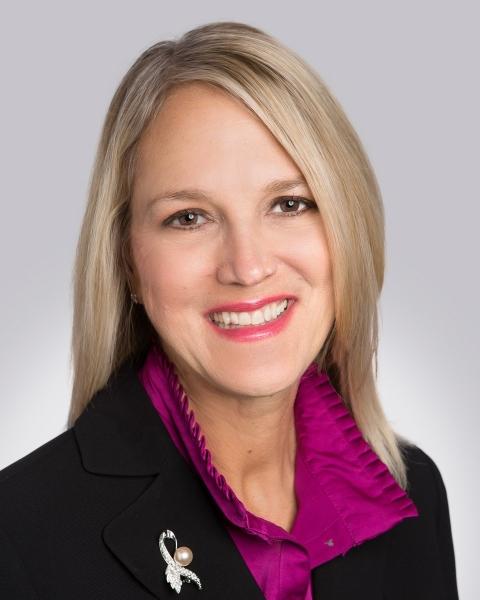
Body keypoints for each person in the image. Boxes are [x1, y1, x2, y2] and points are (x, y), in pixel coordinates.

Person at [0, 21, 458, 600]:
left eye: (289, 204)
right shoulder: (17, 538)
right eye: (189, 217)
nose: (246, 266)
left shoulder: (414, 493)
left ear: (347, 225)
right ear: (126, 260)